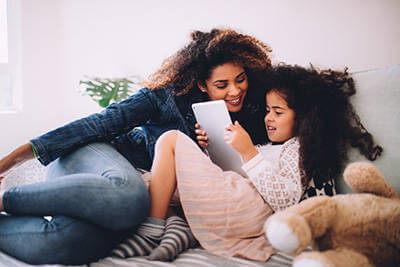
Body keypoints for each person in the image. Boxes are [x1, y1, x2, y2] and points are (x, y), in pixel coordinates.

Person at [0, 28, 272, 265]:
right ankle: (5, 199)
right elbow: (98, 124)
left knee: (68, 243)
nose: (235, 91)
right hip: (95, 154)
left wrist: (207, 152)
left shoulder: (254, 112)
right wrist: (10, 160)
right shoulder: (164, 96)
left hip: (112, 196)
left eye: (240, 79)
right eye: (222, 84)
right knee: (130, 197)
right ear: (201, 83)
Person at [111, 63, 383, 262]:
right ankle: (177, 231)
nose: (268, 118)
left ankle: (151, 231)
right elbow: (236, 175)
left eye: (278, 112)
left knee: (170, 140)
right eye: (267, 110)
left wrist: (249, 153)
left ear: (304, 120)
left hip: (251, 209)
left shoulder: (297, 149)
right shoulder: (271, 148)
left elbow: (286, 201)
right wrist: (207, 153)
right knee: (157, 182)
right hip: (240, 202)